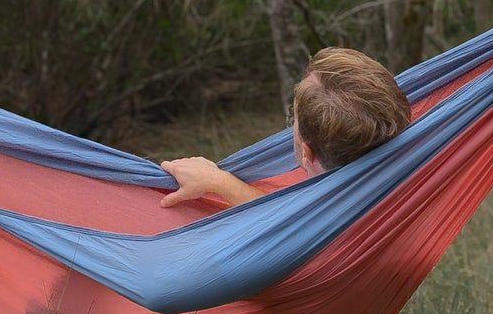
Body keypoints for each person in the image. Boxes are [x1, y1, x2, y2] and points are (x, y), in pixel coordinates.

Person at [159, 47, 412, 208]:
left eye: (295, 119)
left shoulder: (325, 222)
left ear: (307, 152)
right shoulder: (403, 178)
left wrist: (218, 182)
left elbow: (294, 227)